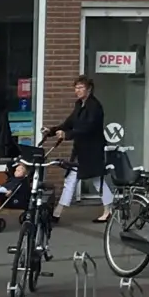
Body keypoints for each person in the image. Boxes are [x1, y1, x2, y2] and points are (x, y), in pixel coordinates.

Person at [49, 76, 108, 217]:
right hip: (80, 150)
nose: (77, 90)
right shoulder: (79, 105)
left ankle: (108, 210)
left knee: (96, 180)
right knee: (72, 178)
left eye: (81, 87)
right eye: (76, 88)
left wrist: (67, 135)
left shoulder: (94, 106)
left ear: (89, 89)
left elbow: (88, 127)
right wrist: (51, 131)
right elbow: (69, 123)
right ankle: (58, 212)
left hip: (92, 150)